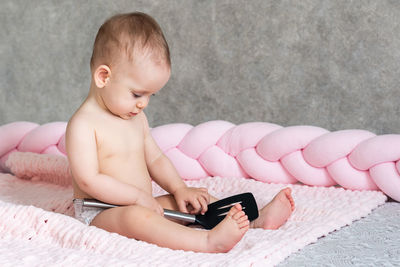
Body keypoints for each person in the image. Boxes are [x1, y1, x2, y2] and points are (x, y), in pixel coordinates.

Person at [66, 12, 295, 253]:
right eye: (137, 94)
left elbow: (155, 159)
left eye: (150, 95)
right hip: (102, 211)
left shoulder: (135, 117)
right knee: (136, 219)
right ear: (104, 77)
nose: (144, 104)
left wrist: (179, 189)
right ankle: (207, 242)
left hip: (143, 202)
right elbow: (88, 180)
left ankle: (255, 221)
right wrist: (135, 198)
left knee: (192, 203)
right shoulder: (83, 124)